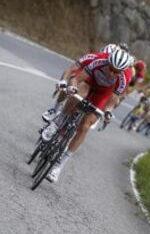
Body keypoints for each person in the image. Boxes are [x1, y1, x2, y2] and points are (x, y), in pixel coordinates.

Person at [42, 48, 133, 182]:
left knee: (85, 126)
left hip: (103, 94)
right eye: (111, 68)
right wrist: (72, 88)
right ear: (108, 61)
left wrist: (108, 111)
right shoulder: (98, 61)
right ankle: (58, 120)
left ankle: (59, 165)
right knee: (78, 93)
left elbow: (113, 100)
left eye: (116, 72)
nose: (112, 73)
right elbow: (77, 78)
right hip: (89, 82)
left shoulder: (124, 77)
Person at [42, 43, 121, 122]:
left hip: (99, 87)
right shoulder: (93, 57)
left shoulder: (117, 72)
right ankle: (56, 108)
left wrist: (108, 110)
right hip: (85, 78)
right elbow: (71, 69)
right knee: (69, 83)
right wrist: (63, 81)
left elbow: (115, 96)